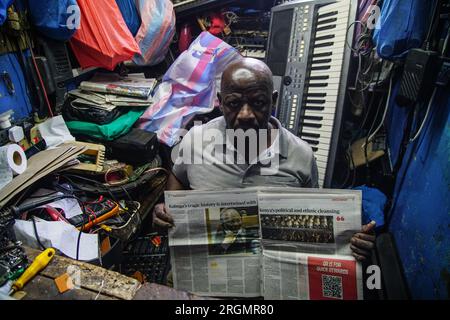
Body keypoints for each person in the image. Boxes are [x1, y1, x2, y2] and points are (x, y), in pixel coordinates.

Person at [153, 58, 376, 262]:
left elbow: (314, 223)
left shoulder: (301, 156)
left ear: (274, 100)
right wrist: (168, 207)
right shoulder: (195, 140)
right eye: (233, 104)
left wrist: (351, 243)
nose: (245, 114)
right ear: (220, 102)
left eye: (258, 103)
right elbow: (178, 175)